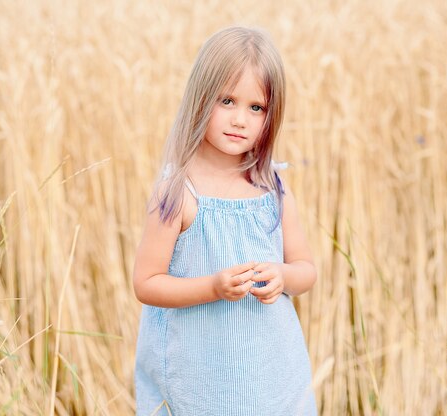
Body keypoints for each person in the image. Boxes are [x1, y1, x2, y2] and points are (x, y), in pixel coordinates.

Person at [133, 25, 317, 415]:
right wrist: (214, 286)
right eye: (227, 101)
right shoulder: (178, 193)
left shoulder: (273, 190)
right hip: (199, 379)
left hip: (271, 376)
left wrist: (284, 276)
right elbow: (147, 283)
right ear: (201, 99)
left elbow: (307, 270)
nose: (240, 120)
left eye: (256, 108)